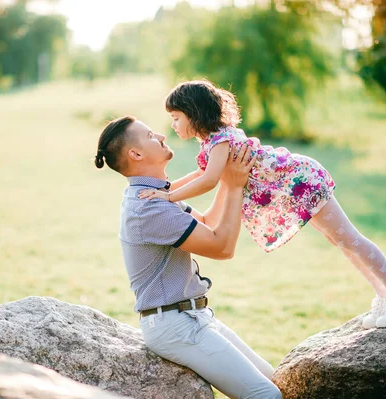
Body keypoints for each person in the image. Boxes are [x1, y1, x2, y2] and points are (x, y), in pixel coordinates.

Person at [138, 80, 386, 329]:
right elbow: (201, 173)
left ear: (194, 114)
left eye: (176, 117)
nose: (173, 125)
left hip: (302, 182)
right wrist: (164, 188)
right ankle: (384, 297)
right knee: (342, 242)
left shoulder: (220, 140)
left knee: (349, 238)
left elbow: (209, 180)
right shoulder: (212, 141)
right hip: (294, 189)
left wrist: (168, 197)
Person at [94, 115, 282, 399]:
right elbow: (222, 248)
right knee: (266, 396)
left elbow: (206, 221)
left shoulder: (155, 194)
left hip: (193, 316)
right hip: (175, 325)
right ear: (136, 154)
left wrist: (225, 178)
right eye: (149, 136)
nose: (160, 135)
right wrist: (233, 186)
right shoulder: (149, 208)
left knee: (273, 380)